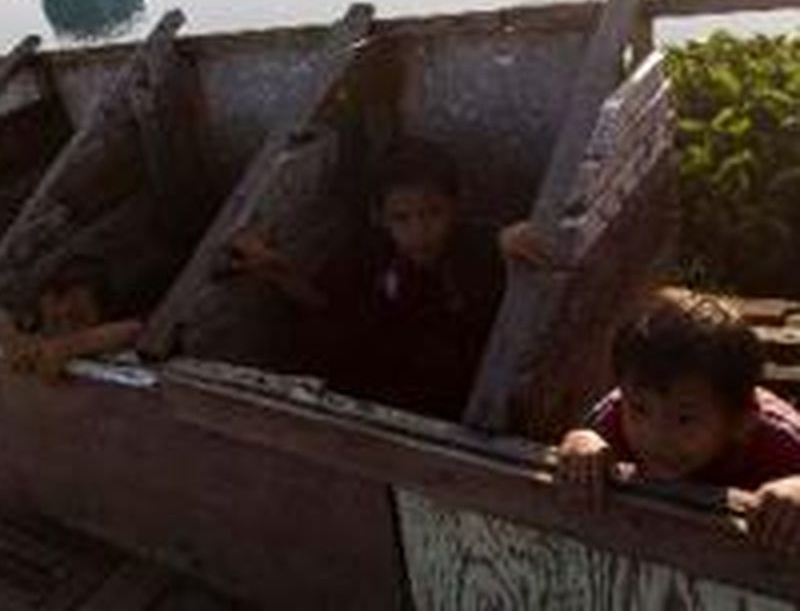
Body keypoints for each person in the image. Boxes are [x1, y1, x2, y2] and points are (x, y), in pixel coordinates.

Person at [227, 135, 547, 418]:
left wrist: (511, 238)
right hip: (385, 393)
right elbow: (327, 300)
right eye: (402, 218)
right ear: (379, 218)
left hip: (455, 397)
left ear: (456, 205)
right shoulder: (370, 253)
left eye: (433, 212)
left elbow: (503, 239)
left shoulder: (473, 244)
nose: (419, 231)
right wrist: (275, 268)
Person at [557, 288, 800, 556]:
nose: (656, 436)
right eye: (640, 410)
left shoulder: (778, 438)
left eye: (684, 419)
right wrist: (580, 443)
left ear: (740, 424)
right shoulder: (615, 412)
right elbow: (583, 440)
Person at [0, 257, 142, 383]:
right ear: (41, 302)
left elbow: (134, 329)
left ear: (102, 318)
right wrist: (10, 339)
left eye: (79, 314)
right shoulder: (27, 335)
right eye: (57, 300)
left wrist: (66, 347)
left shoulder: (116, 362)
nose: (64, 313)